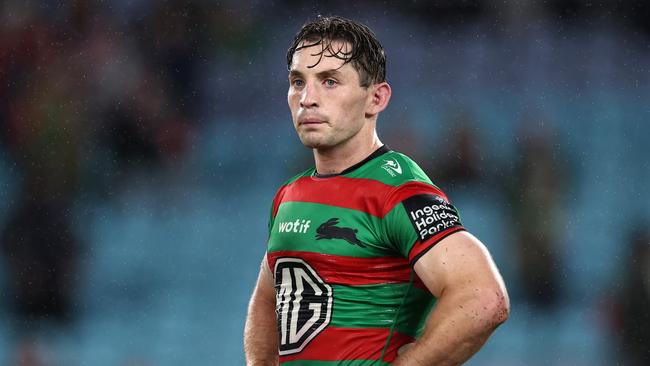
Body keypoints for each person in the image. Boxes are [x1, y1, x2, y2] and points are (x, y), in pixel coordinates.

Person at [244, 16, 509, 365]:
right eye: (297, 81)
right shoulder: (290, 196)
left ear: (376, 98)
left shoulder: (398, 191)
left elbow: (484, 298)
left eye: (329, 81)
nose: (307, 98)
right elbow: (268, 298)